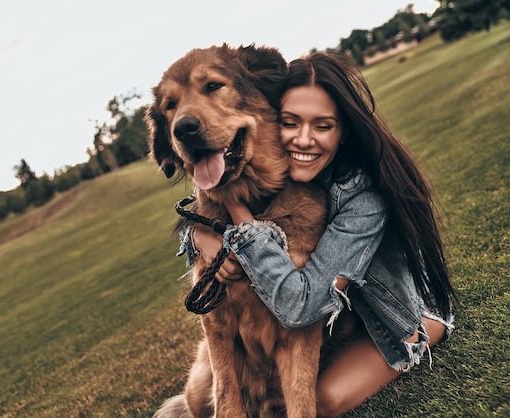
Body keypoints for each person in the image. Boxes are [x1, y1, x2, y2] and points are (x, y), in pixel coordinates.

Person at [181, 51, 457, 417]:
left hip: (389, 320)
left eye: (322, 126)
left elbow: (301, 306)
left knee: (323, 399)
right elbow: (198, 212)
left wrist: (236, 213)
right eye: (289, 122)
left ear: (343, 131)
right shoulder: (274, 179)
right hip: (334, 322)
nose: (303, 140)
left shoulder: (363, 199)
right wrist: (203, 238)